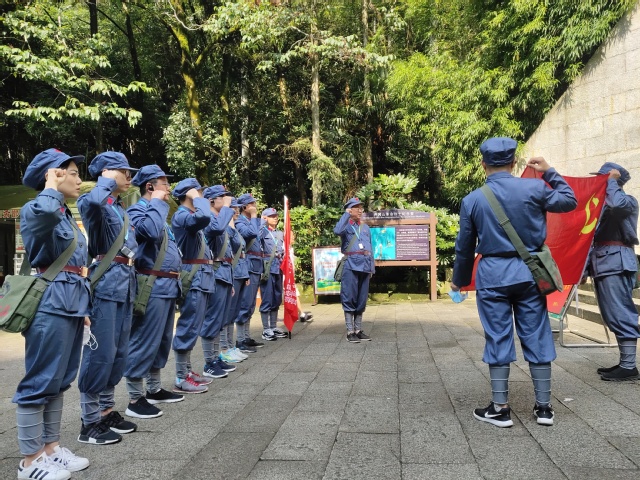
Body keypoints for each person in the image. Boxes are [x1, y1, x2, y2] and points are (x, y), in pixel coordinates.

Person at [450, 137, 577, 428]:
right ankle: (544, 408)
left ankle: (500, 408)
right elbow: (569, 200)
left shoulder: (473, 200)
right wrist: (549, 171)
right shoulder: (535, 187)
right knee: (537, 333)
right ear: (514, 162)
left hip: (493, 275)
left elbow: (464, 248)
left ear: (483, 164)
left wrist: (459, 282)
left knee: (498, 336)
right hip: (531, 274)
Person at [14, 149, 91, 479]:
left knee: (59, 381)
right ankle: (30, 461)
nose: (78, 178)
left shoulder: (63, 215)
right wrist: (49, 186)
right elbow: (45, 211)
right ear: (53, 174)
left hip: (70, 303)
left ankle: (50, 449)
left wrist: (83, 308)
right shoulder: (37, 209)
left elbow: (75, 266)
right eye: (71, 172)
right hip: (50, 304)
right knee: (40, 380)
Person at [76, 151, 139, 446]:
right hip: (105, 284)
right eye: (123, 171)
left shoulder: (119, 207)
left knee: (118, 353)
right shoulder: (93, 202)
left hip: (125, 284)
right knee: (99, 354)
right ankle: (89, 422)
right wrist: (106, 181)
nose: (129, 176)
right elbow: (91, 203)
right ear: (106, 173)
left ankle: (106, 411)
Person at [124, 165, 184, 420]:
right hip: (151, 286)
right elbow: (147, 232)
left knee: (161, 341)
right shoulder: (137, 210)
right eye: (164, 183)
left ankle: (154, 389)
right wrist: (157, 202)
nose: (168, 188)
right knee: (144, 339)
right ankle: (135, 398)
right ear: (149, 186)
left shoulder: (159, 213)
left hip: (167, 286)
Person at [588, 162, 640, 381]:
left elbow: (617, 205)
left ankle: (629, 367)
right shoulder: (603, 204)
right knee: (611, 314)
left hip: (616, 262)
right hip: (603, 262)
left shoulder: (627, 201)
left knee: (621, 312)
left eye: (604, 178)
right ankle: (625, 363)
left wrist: (611, 180)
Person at [170, 178, 214, 394]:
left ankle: (186, 370)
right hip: (193, 276)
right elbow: (205, 216)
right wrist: (197, 198)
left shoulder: (189, 216)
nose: (202, 195)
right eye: (198, 192)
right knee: (188, 325)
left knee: (194, 325)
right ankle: (180, 376)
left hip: (200, 276)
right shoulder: (182, 216)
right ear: (189, 193)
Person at [200, 185, 237, 378]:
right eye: (222, 197)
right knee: (212, 319)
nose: (226, 200)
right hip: (214, 272)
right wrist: (227, 210)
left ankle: (216, 358)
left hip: (224, 273)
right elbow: (215, 230)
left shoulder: (220, 219)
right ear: (211, 200)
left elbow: (235, 243)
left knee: (220, 319)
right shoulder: (208, 218)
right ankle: (209, 362)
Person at [334, 197, 374, 343]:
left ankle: (358, 329)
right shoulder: (345, 226)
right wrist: (346, 214)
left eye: (361, 207)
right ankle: (350, 331)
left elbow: (370, 247)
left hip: (365, 265)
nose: (360, 210)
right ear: (350, 209)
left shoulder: (365, 228)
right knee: (349, 296)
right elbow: (337, 231)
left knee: (361, 298)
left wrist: (372, 267)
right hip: (350, 264)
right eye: (357, 207)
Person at [225, 197, 256, 354]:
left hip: (241, 270)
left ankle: (232, 345)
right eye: (233, 208)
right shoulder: (230, 226)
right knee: (230, 311)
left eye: (237, 208)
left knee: (236, 309)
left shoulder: (234, 227)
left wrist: (245, 273)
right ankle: (228, 346)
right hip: (233, 271)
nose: (236, 211)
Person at [234, 193, 265, 349]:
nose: (255, 206)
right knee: (245, 303)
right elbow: (251, 234)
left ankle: (246, 336)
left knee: (251, 304)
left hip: (256, 265)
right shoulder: (239, 222)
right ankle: (240, 339)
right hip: (248, 265)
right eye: (252, 204)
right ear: (244, 207)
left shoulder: (253, 221)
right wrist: (253, 216)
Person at [259, 207, 287, 340]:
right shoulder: (262, 231)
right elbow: (255, 238)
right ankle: (266, 329)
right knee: (267, 297)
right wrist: (261, 222)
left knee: (277, 297)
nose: (275, 218)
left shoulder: (280, 233)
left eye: (275, 216)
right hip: (267, 267)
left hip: (278, 267)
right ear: (265, 218)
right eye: (271, 216)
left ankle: (274, 326)